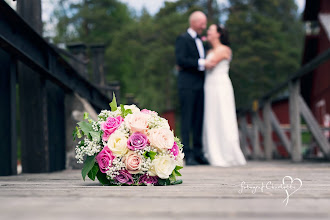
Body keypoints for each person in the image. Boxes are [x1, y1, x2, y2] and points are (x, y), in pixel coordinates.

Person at [202, 24, 247, 167]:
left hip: (221, 86)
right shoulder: (209, 50)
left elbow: (212, 63)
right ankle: (210, 151)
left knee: (223, 116)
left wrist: (193, 62)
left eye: (211, 30)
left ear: (218, 34)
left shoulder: (225, 50)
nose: (208, 32)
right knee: (211, 117)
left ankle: (227, 153)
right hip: (209, 86)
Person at [175, 11, 215, 165]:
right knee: (187, 119)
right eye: (202, 23)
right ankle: (188, 154)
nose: (204, 27)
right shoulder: (182, 39)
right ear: (193, 22)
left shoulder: (202, 41)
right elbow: (181, 60)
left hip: (201, 85)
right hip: (187, 85)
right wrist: (202, 63)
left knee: (199, 119)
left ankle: (198, 153)